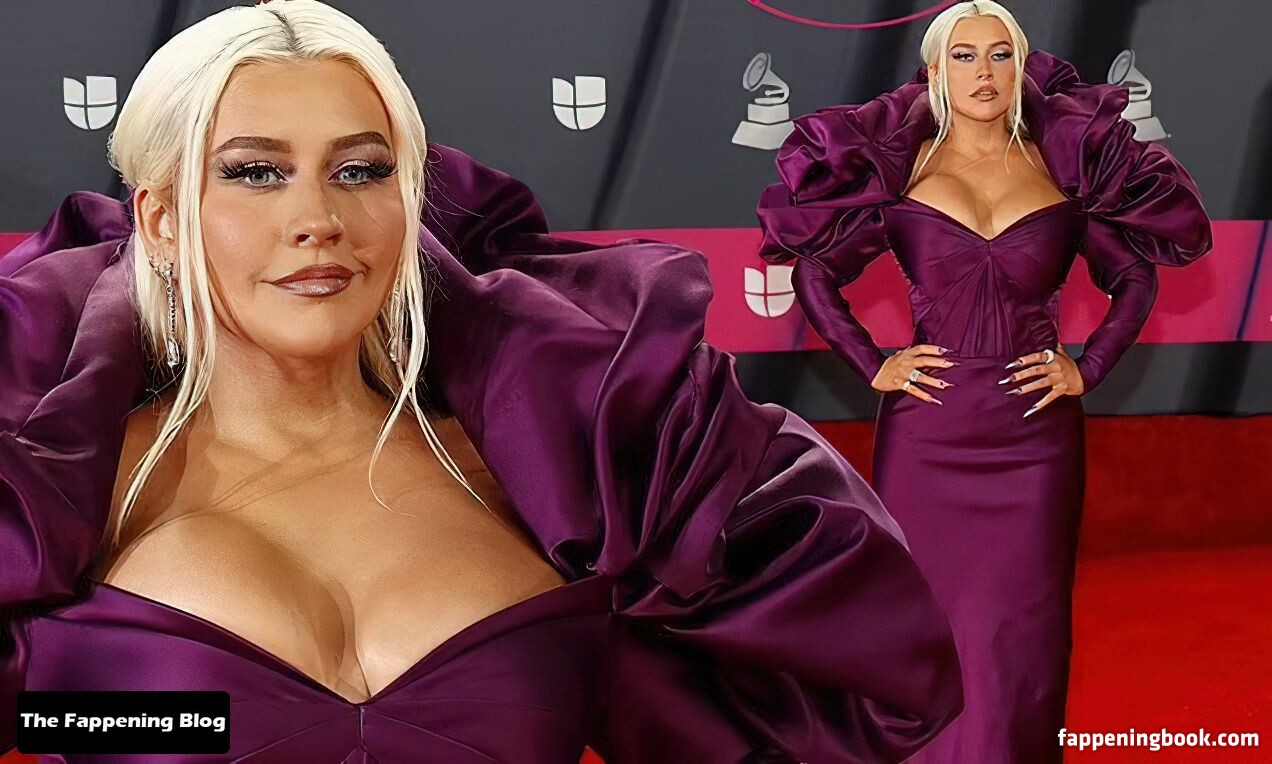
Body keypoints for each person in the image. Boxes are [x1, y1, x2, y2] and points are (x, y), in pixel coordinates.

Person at [0, 1, 963, 761]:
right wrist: (137, 719)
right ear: (162, 220)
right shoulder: (61, 503)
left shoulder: (565, 484)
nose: (318, 219)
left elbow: (851, 677)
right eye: (255, 173)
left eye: (360, 170)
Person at [755, 2, 1212, 762]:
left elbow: (1134, 275)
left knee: (1023, 627)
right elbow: (814, 271)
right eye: (963, 56)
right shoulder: (904, 172)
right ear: (934, 71)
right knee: (925, 621)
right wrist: (876, 363)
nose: (984, 72)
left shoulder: (1061, 167)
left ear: (1020, 67)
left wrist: (1089, 366)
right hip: (928, 432)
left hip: (1035, 437)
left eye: (1001, 55)